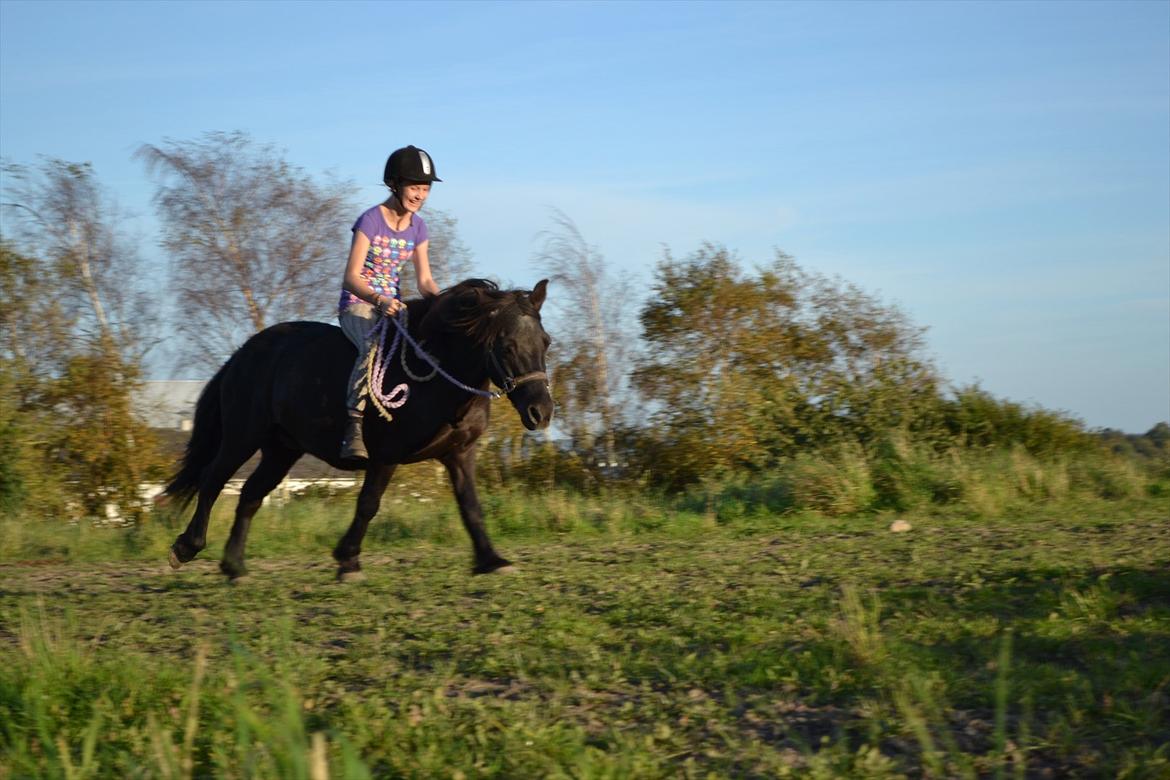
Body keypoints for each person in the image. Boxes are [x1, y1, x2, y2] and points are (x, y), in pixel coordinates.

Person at [338, 145, 442, 460]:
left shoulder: (418, 227)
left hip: (394, 308)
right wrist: (379, 299)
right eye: (415, 188)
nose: (420, 195)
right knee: (373, 348)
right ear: (395, 185)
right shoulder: (370, 221)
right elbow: (351, 276)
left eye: (425, 189)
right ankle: (353, 426)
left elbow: (424, 280)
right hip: (360, 303)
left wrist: (445, 304)